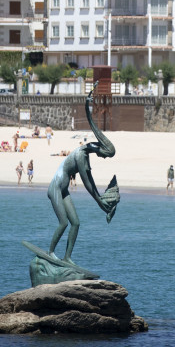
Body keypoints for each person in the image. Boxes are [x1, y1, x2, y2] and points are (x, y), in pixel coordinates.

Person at [44, 92, 119, 262]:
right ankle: (50, 253)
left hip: (63, 191)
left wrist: (101, 201)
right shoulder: (80, 155)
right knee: (63, 223)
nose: (105, 158)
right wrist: (100, 202)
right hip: (55, 188)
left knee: (76, 223)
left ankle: (67, 258)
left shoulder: (85, 156)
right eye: (106, 155)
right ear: (101, 150)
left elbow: (90, 181)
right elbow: (87, 184)